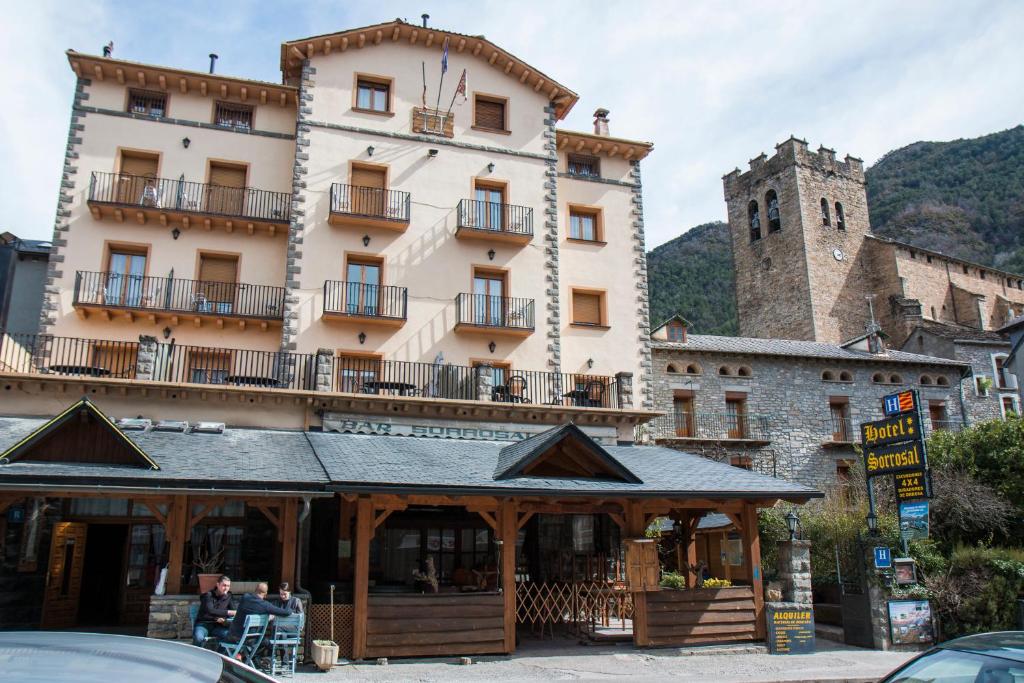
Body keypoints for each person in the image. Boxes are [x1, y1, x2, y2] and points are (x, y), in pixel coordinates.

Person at [223, 581, 293, 656]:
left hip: (232, 635)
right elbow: (286, 612)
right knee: (268, 643)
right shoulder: (265, 606)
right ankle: (253, 660)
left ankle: (248, 658)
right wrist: (290, 605)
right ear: (265, 594)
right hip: (249, 639)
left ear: (255, 590)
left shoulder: (245, 597)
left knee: (257, 642)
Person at [193, 575, 235, 648]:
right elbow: (210, 610)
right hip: (204, 624)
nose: (226, 588)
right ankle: (196, 656)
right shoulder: (208, 595)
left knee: (230, 636)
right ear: (218, 585)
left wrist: (224, 620)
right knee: (198, 638)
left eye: (228, 586)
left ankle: (220, 655)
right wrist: (228, 612)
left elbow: (234, 611)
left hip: (218, 626)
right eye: (224, 585)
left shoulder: (229, 596)